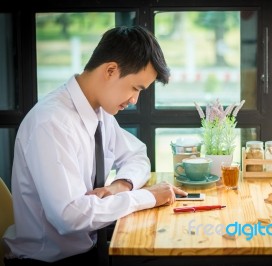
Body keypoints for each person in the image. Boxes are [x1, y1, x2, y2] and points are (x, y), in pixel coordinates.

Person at [2, 25, 187, 265]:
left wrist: (122, 184)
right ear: (110, 70)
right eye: (135, 88)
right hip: (47, 261)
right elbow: (69, 217)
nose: (134, 100)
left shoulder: (99, 113)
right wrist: (147, 197)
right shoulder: (51, 123)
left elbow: (137, 154)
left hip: (89, 250)